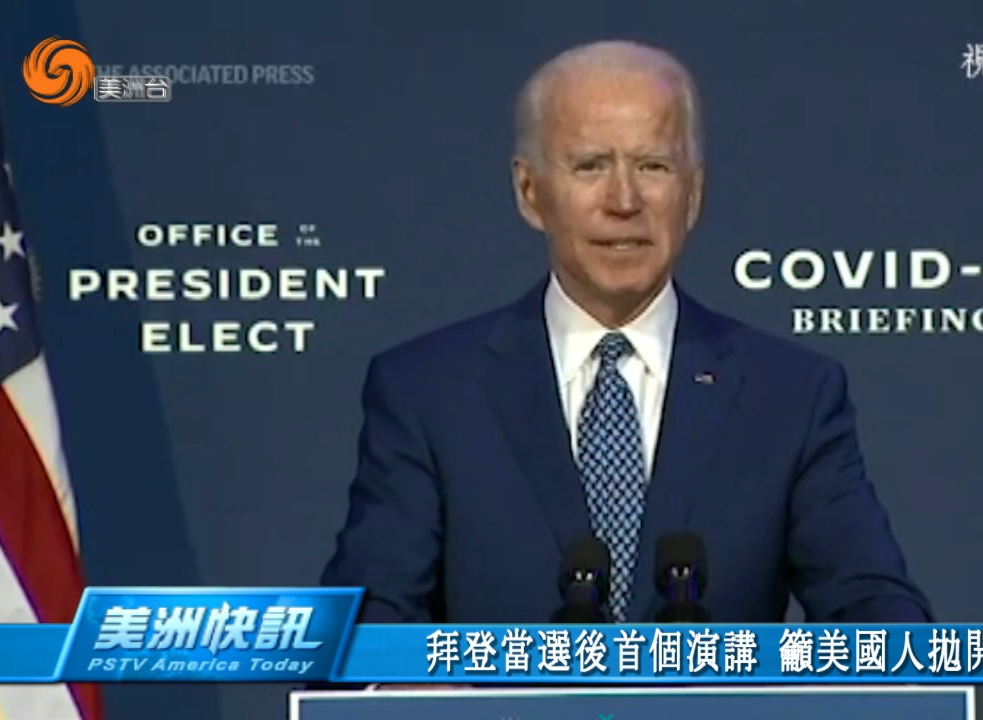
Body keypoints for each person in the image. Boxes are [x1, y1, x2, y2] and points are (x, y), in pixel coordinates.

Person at [319, 40, 932, 628]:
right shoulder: (430, 391)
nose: (624, 200)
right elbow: (370, 614)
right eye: (590, 166)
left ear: (692, 195)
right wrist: (403, 687)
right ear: (530, 192)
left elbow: (873, 607)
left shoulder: (790, 395)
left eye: (653, 166)